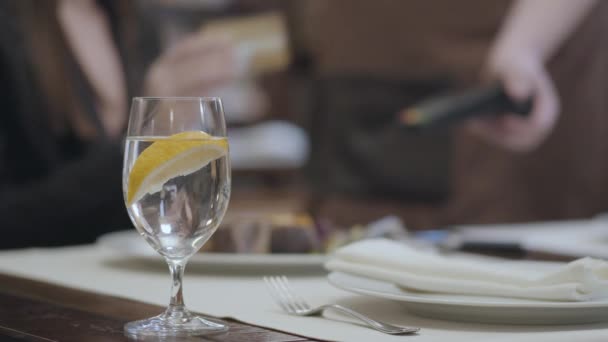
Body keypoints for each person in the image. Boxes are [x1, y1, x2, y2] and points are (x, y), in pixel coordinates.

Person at [0, 0, 236, 248]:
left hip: (125, 273)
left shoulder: (137, 24)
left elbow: (159, 205)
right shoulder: (10, 25)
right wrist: (141, 146)